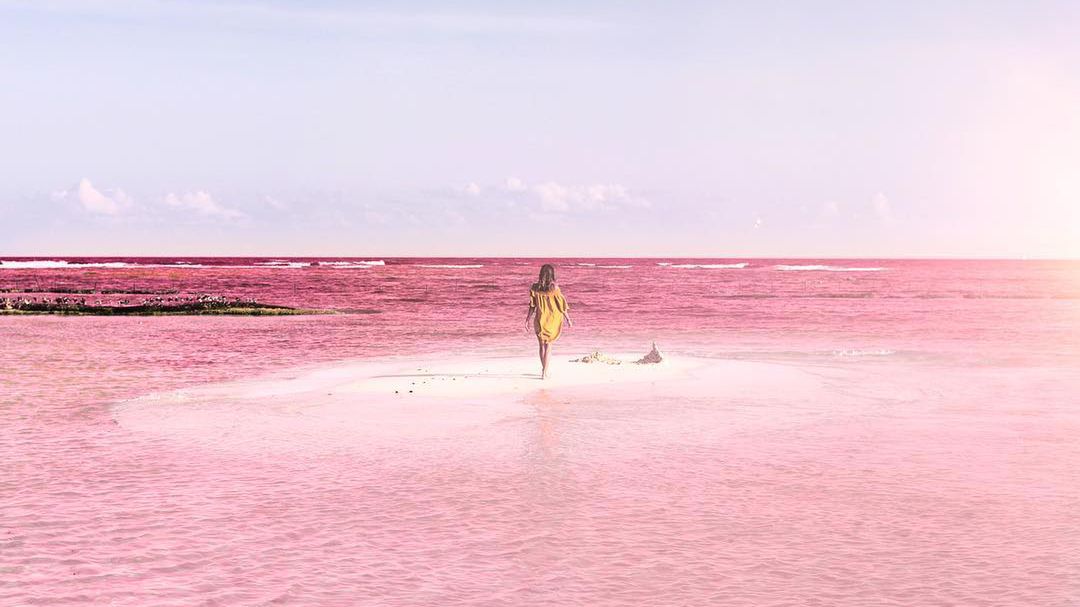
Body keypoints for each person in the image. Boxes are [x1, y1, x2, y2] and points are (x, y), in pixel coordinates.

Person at [524, 264, 572, 379]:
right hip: (552, 320)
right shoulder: (554, 288)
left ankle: (543, 371)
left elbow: (532, 306)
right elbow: (561, 306)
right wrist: (568, 318)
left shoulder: (535, 288)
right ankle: (545, 372)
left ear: (540, 274)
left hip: (539, 319)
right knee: (548, 345)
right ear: (552, 275)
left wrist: (527, 319)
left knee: (541, 346)